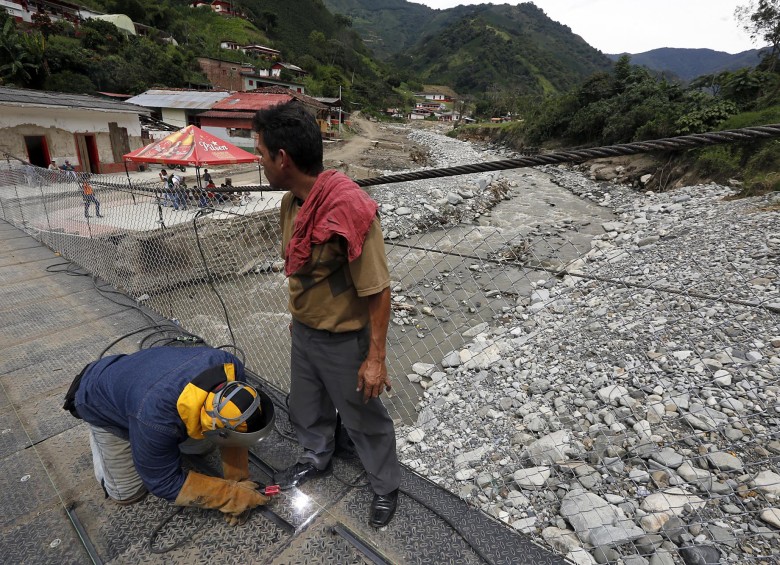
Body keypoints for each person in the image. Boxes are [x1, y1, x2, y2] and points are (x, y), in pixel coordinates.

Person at [252, 100, 400, 528]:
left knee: (363, 416)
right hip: (304, 329)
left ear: (283, 159)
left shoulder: (349, 210)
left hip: (343, 338)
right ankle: (317, 456)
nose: (259, 160)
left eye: (261, 153)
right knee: (307, 403)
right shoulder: (291, 203)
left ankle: (385, 484)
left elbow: (378, 289)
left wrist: (375, 358)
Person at [62, 346, 274, 525]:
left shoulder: (231, 366)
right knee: (128, 494)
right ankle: (107, 435)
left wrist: (239, 480)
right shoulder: (156, 418)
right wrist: (230, 496)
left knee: (201, 447)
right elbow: (163, 482)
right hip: (95, 398)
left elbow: (232, 434)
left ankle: (148, 440)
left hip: (140, 380)